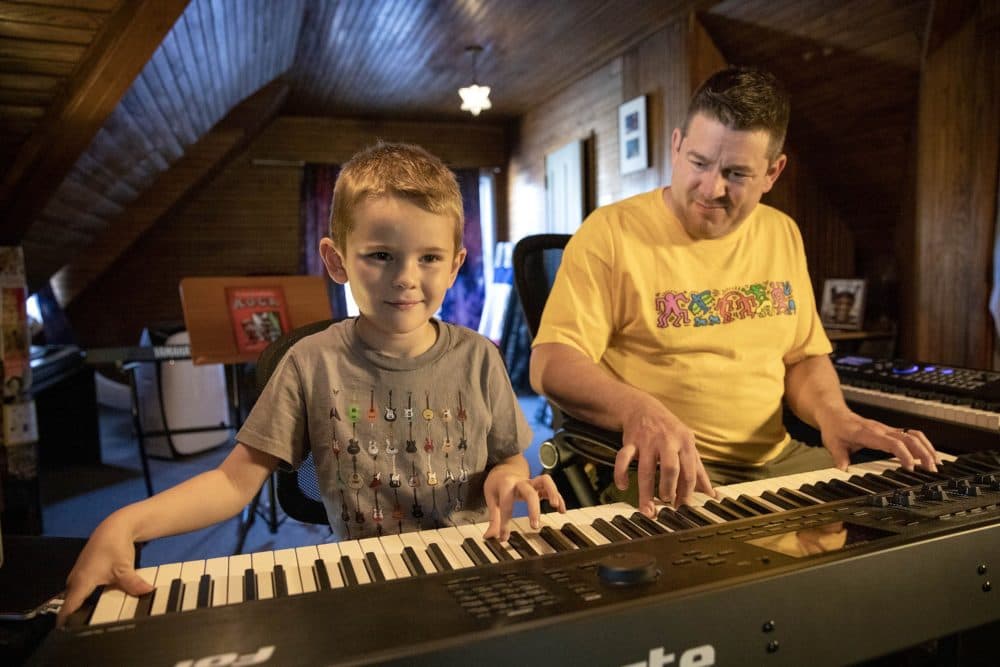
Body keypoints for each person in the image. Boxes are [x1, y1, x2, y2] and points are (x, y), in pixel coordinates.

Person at [58, 142, 565, 624]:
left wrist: (504, 479)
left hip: (471, 567)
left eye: (429, 257)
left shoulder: (480, 358)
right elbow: (234, 482)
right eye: (381, 255)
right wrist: (125, 523)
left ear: (455, 265)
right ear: (336, 260)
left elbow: (508, 457)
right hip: (366, 579)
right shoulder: (309, 363)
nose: (407, 278)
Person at [529, 66, 937, 518]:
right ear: (677, 145)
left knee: (899, 524)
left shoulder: (782, 233)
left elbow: (802, 357)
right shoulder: (611, 233)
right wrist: (636, 409)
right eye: (699, 163)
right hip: (669, 470)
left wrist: (835, 416)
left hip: (779, 461)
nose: (711, 188)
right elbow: (551, 363)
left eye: (736, 173)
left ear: (772, 172)